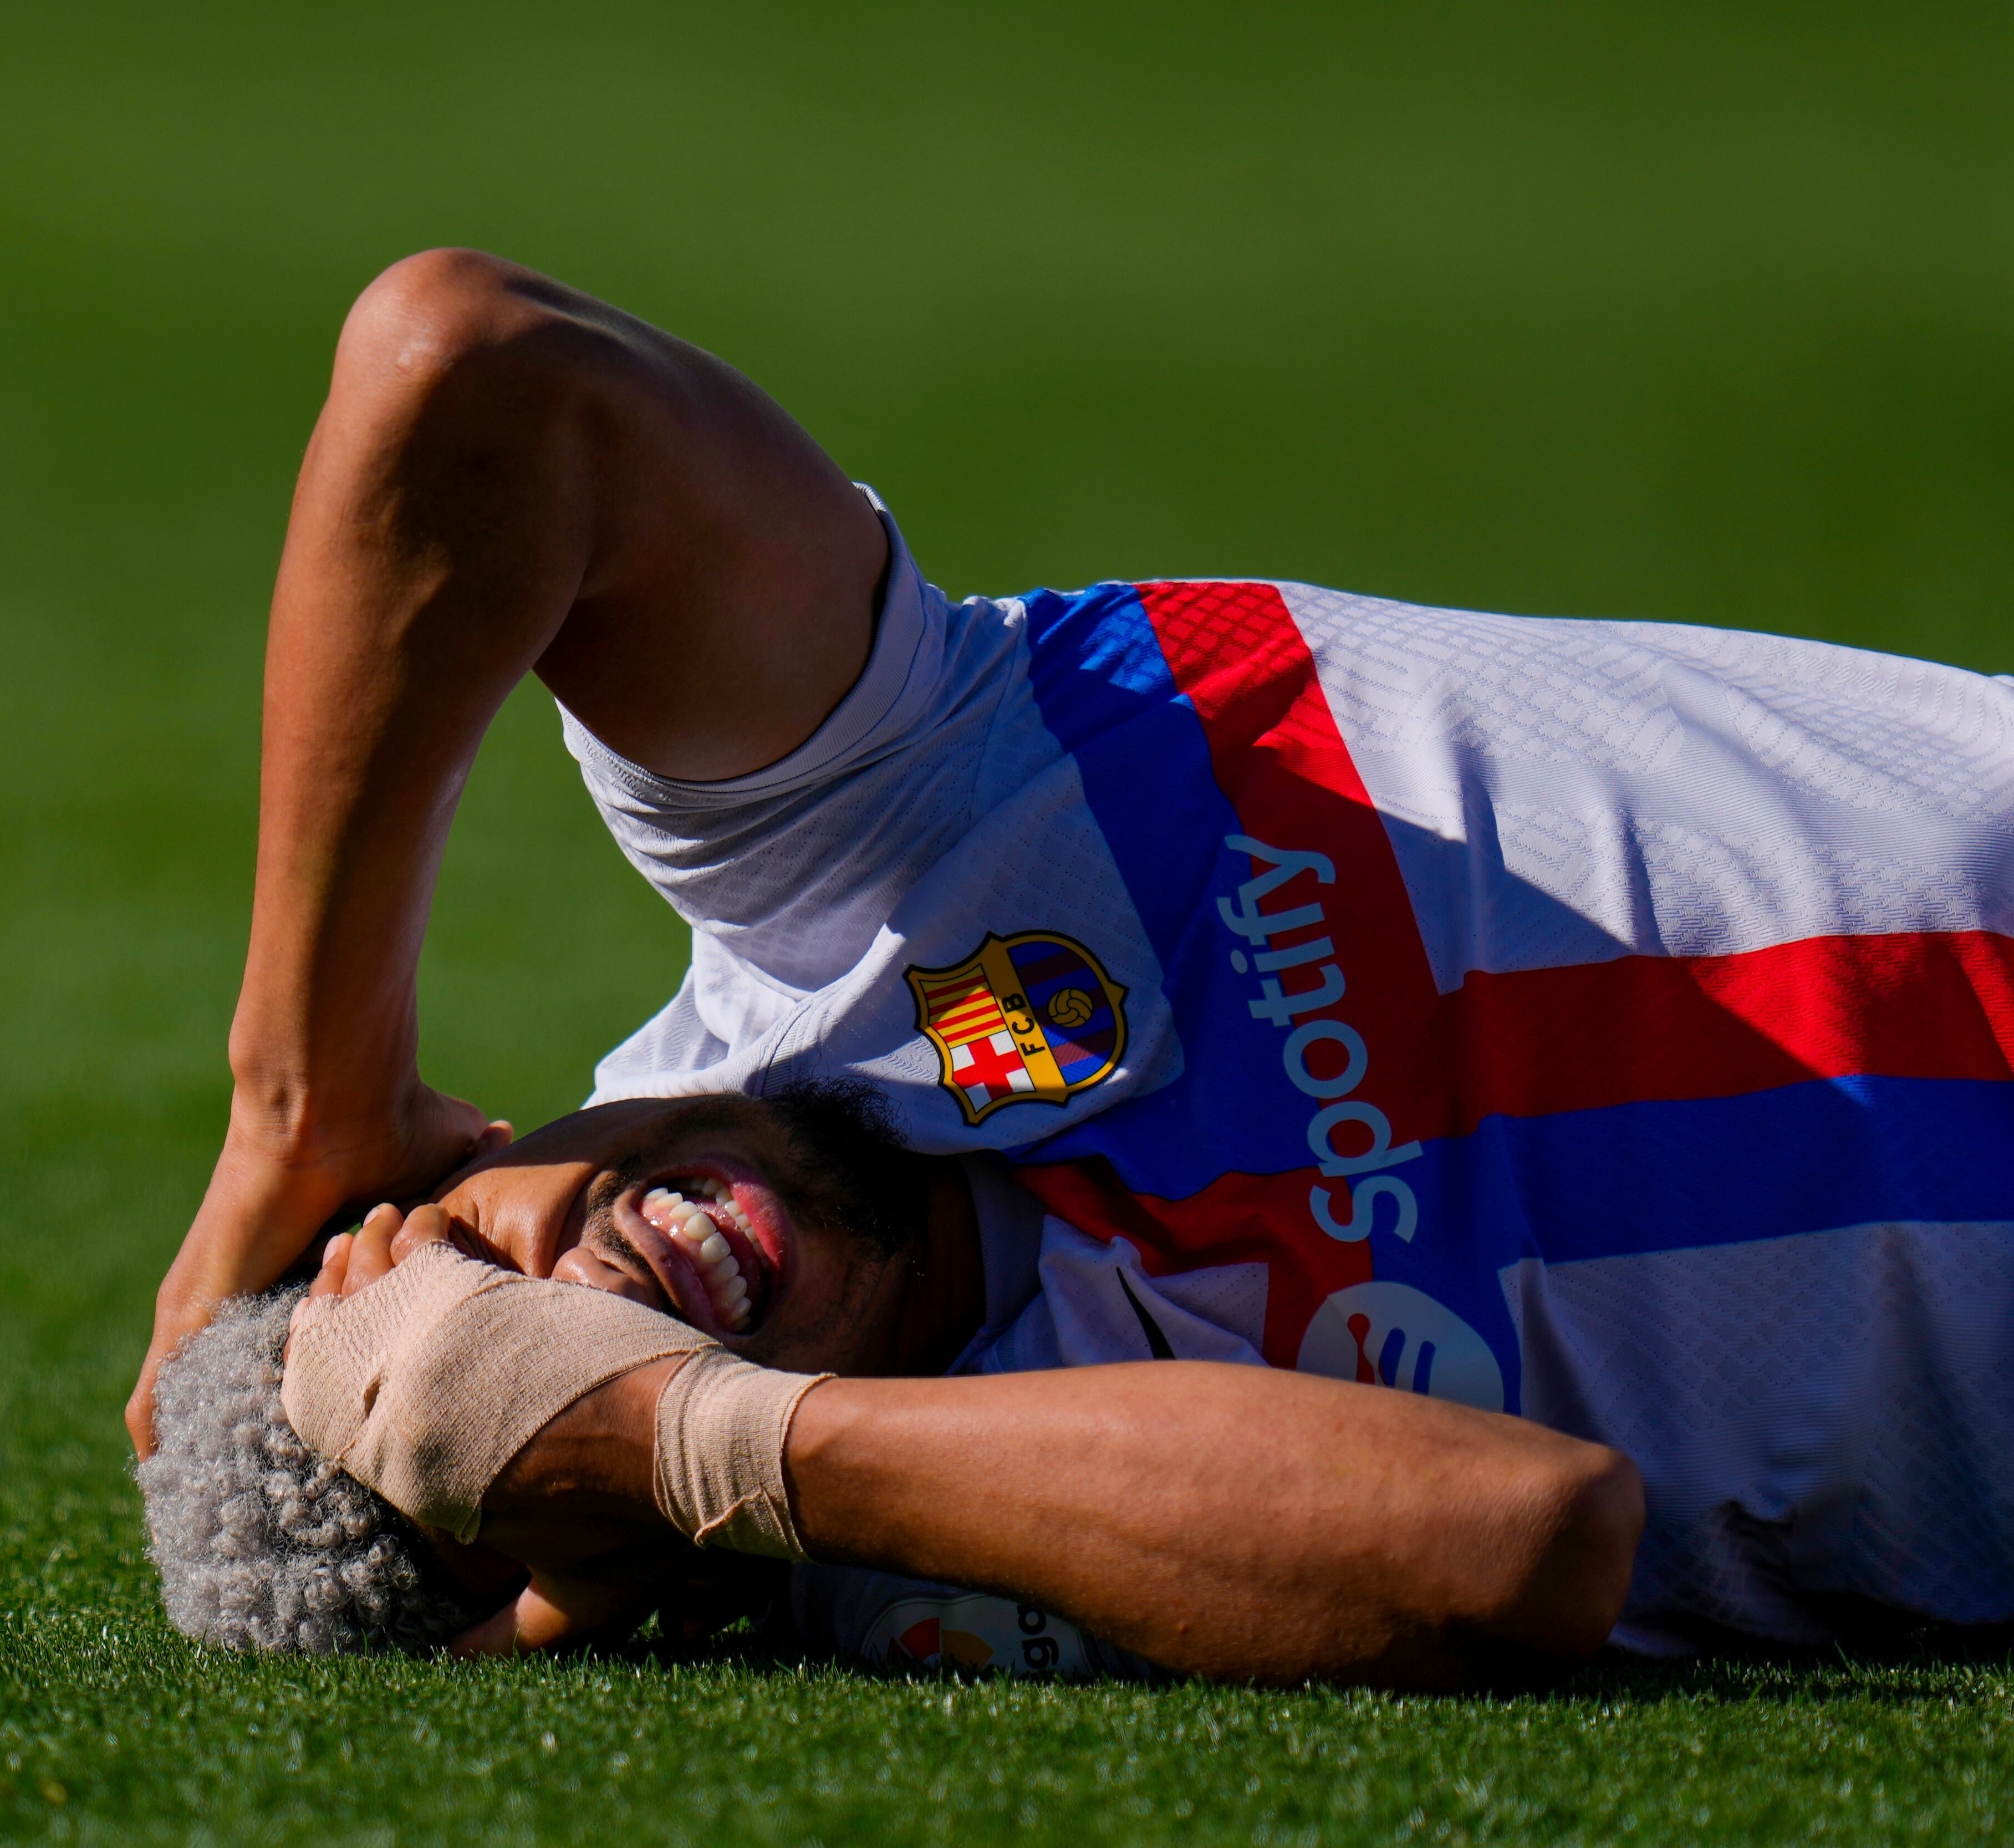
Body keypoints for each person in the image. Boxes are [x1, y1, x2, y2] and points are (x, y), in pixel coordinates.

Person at [128, 248, 2014, 1682]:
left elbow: (474, 371)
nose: (582, 1281)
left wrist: (304, 1098)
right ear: (572, 1575)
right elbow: (1524, 1539)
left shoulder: (850, 849)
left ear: (461, 1150)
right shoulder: (962, 1562)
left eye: (463, 1253)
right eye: (508, 1382)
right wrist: (673, 1433)